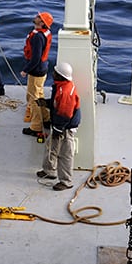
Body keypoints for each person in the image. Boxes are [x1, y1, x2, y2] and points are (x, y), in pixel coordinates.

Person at [36, 62, 81, 191]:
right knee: (51, 147)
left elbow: (65, 114)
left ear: (61, 76)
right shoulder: (61, 86)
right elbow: (57, 104)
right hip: (59, 124)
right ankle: (49, 171)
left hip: (65, 127)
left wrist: (57, 129)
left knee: (65, 153)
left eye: (55, 72)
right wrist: (46, 103)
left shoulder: (65, 91)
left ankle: (66, 181)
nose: (52, 73)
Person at [20, 11, 53, 139]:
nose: (36, 17)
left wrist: (25, 70)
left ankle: (36, 127)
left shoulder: (38, 37)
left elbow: (35, 58)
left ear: (42, 22)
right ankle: (46, 118)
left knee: (33, 99)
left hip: (36, 71)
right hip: (42, 69)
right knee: (39, 95)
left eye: (39, 17)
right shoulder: (44, 34)